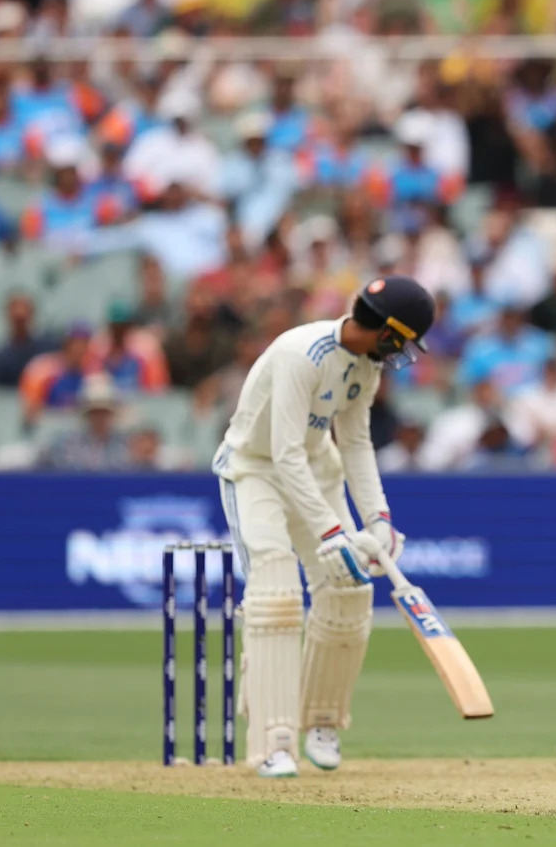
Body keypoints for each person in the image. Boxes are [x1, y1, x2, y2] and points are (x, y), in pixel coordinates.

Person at [211, 276, 434, 778]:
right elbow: (284, 453)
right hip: (257, 471)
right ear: (389, 331)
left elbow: (355, 444)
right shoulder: (301, 353)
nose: (403, 354)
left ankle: (321, 719)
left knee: (350, 588)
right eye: (405, 342)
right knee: (276, 598)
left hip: (319, 469)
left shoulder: (366, 368)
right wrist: (331, 534)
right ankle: (274, 742)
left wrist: (379, 521)